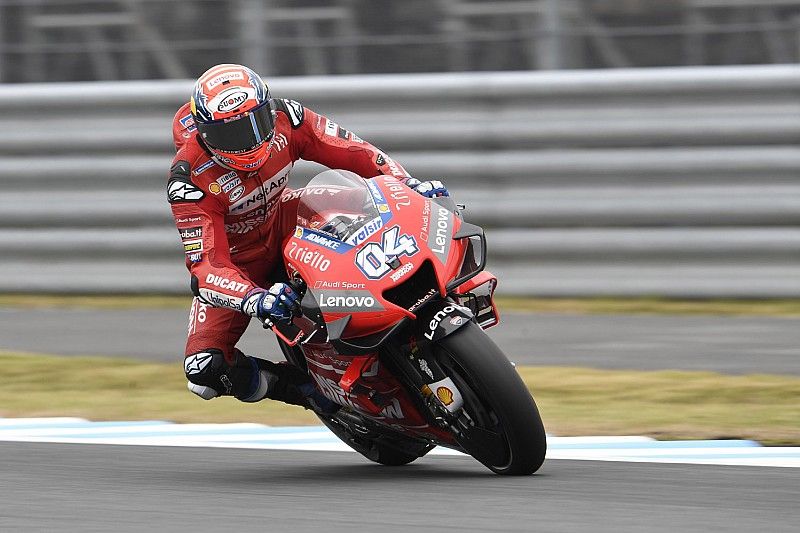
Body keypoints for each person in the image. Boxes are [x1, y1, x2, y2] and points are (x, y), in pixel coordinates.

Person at [168, 64, 448, 411]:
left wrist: (407, 184)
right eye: (235, 134)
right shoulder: (189, 180)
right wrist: (252, 297)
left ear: (269, 111)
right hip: (241, 264)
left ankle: (448, 297)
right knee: (203, 370)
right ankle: (303, 389)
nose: (252, 140)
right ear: (206, 135)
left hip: (288, 216)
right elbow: (206, 266)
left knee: (391, 199)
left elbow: (355, 151)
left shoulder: (289, 116)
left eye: (258, 123)